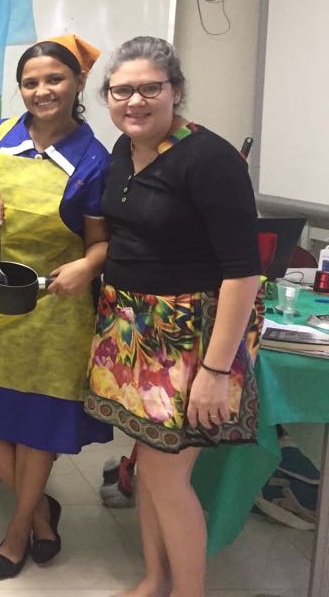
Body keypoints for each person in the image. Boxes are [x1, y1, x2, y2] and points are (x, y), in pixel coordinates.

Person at [83, 36, 262, 597]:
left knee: (167, 476)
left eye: (149, 89)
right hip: (132, 329)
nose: (134, 101)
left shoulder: (210, 159)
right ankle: (155, 576)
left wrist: (215, 371)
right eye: (121, 91)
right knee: (149, 466)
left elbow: (243, 273)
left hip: (191, 341)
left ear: (175, 91)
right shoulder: (124, 148)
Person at [0, 35, 113, 580]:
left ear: (78, 83)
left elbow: (101, 243)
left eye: (54, 79)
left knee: (36, 428)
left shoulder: (94, 160)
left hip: (54, 312)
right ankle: (41, 509)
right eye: (30, 82)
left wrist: (86, 267)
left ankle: (19, 531)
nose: (42, 90)